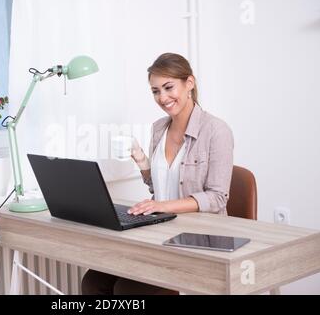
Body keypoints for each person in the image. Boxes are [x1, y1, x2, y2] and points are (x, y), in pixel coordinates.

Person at [81, 52, 234, 295]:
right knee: (93, 281)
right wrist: (139, 156)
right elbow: (159, 186)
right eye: (155, 91)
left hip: (199, 240)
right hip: (161, 233)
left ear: (189, 84)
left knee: (128, 290)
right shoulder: (158, 128)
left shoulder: (216, 131)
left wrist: (161, 206)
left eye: (168, 87)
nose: (162, 97)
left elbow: (217, 197)